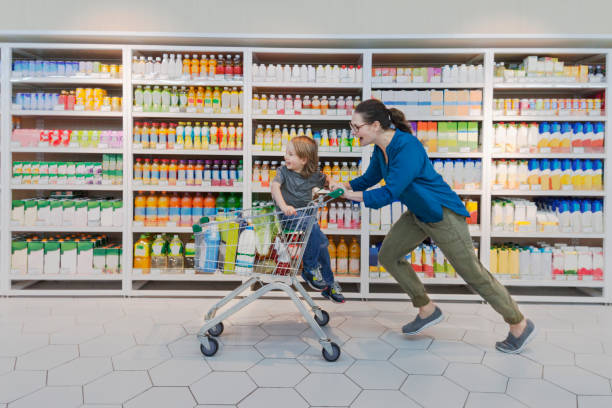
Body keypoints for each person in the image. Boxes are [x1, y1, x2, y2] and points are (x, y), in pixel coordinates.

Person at [331, 99, 535, 353]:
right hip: (419, 211)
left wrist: (348, 196)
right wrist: (343, 186)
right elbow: (370, 178)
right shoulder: (380, 148)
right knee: (389, 255)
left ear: (374, 125)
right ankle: (426, 308)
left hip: (441, 213)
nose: (354, 132)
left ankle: (518, 323)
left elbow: (390, 192)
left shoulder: (407, 147)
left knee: (471, 272)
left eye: (356, 127)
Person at [271, 136, 345, 303]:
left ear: (304, 159)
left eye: (290, 154)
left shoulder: (313, 175)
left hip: (306, 219)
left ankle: (329, 284)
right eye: (286, 153)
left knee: (322, 243)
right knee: (315, 231)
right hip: (288, 217)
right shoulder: (283, 172)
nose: (286, 157)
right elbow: (275, 187)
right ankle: (310, 268)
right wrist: (284, 207)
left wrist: (333, 184)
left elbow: (326, 179)